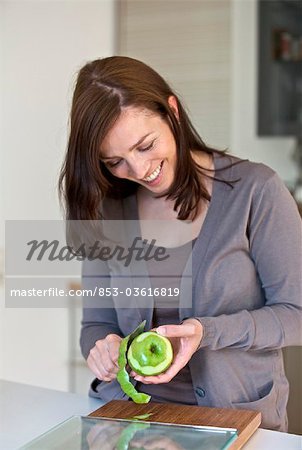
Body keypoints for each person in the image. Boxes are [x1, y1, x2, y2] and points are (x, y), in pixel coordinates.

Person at [58, 56, 302, 432]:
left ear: (172, 112)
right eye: (115, 161)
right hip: (129, 424)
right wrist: (103, 348)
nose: (139, 171)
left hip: (234, 421)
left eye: (144, 145)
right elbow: (96, 323)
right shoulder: (109, 209)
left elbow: (296, 313)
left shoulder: (256, 191)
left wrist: (206, 332)